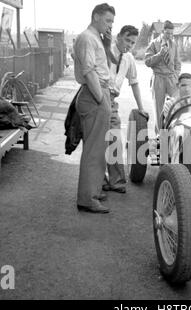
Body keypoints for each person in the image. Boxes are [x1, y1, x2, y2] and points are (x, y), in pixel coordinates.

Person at [73, 3, 115, 214]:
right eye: (107, 20)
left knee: (99, 149)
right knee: (93, 150)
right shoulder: (87, 37)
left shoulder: (96, 37)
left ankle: (93, 190)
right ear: (96, 16)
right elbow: (89, 71)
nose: (110, 25)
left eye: (111, 22)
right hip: (94, 95)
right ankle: (87, 198)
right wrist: (101, 99)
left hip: (98, 93)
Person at [104, 25, 149, 194]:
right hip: (98, 98)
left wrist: (141, 108)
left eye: (133, 42)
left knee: (114, 138)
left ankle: (116, 181)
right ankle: (100, 181)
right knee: (98, 142)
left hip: (112, 101)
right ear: (119, 37)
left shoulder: (129, 58)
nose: (130, 45)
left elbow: (134, 82)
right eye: (127, 40)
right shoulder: (105, 51)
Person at [145, 20, 181, 133]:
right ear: (162, 31)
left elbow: (177, 62)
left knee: (176, 106)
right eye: (167, 33)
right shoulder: (154, 43)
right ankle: (159, 138)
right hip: (158, 78)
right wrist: (160, 54)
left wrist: (176, 75)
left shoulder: (174, 44)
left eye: (171, 33)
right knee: (159, 109)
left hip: (171, 78)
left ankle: (173, 135)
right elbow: (147, 62)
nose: (169, 36)